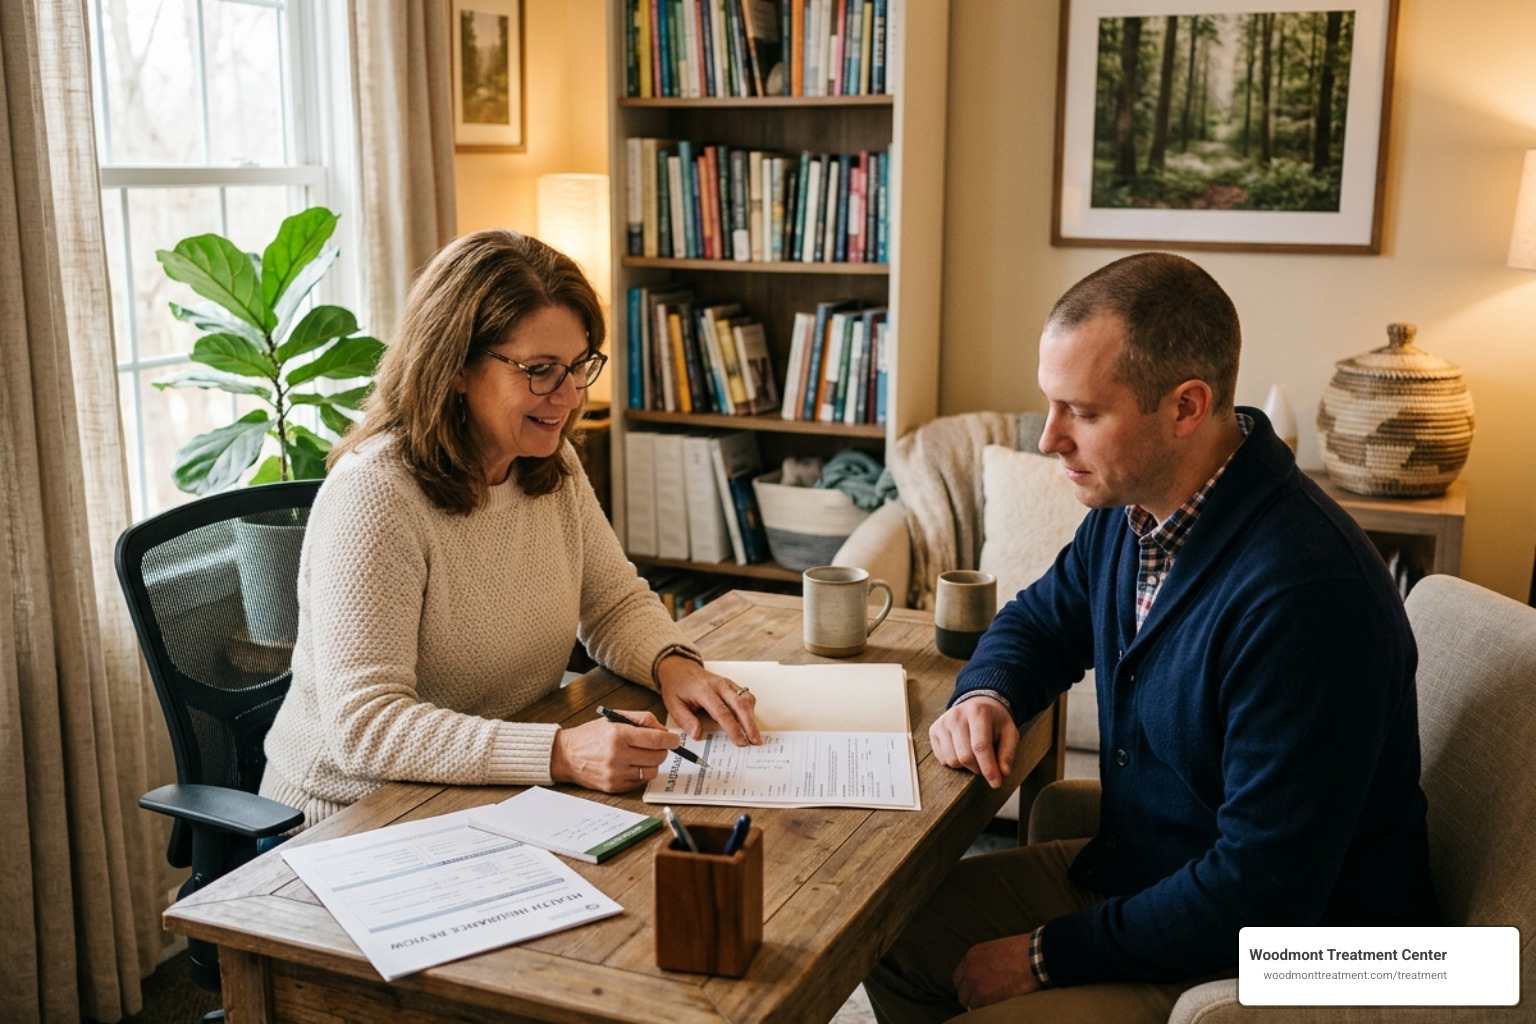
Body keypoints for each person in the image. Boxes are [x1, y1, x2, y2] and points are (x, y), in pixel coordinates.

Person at [865, 253, 1439, 1023]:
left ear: (1186, 406)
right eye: (1050, 405)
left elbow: (1261, 890)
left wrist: (1046, 955)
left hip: (1297, 955)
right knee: (888, 937)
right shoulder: (1132, 516)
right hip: (1150, 879)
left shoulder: (1306, 595)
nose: (1049, 440)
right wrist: (990, 690)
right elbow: (1040, 620)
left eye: (1084, 413)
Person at [259, 230, 761, 830]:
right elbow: (367, 727)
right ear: (454, 369)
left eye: (578, 367)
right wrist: (560, 752)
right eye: (541, 370)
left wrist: (673, 665)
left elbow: (612, 600)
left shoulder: (548, 462)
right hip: (354, 819)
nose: (570, 395)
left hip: (493, 795)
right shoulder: (376, 494)